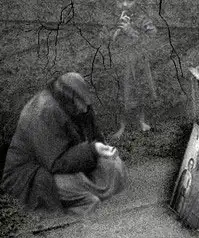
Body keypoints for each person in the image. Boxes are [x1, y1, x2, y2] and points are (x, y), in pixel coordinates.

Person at [1, 72, 128, 216]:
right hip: (34, 176)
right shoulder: (43, 111)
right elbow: (56, 162)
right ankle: (79, 200)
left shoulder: (80, 105)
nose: (84, 109)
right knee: (72, 185)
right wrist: (93, 150)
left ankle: (85, 195)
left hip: (72, 164)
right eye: (81, 103)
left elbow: (95, 138)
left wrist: (103, 149)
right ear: (70, 97)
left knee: (115, 165)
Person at [110, 0, 158, 137]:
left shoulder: (142, 19)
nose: (125, 4)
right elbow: (104, 38)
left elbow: (151, 38)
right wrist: (116, 31)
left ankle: (142, 121)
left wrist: (130, 31)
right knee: (121, 93)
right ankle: (122, 125)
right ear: (115, 2)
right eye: (121, 1)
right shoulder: (112, 19)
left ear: (135, 2)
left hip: (137, 62)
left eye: (129, 0)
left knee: (139, 90)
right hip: (119, 63)